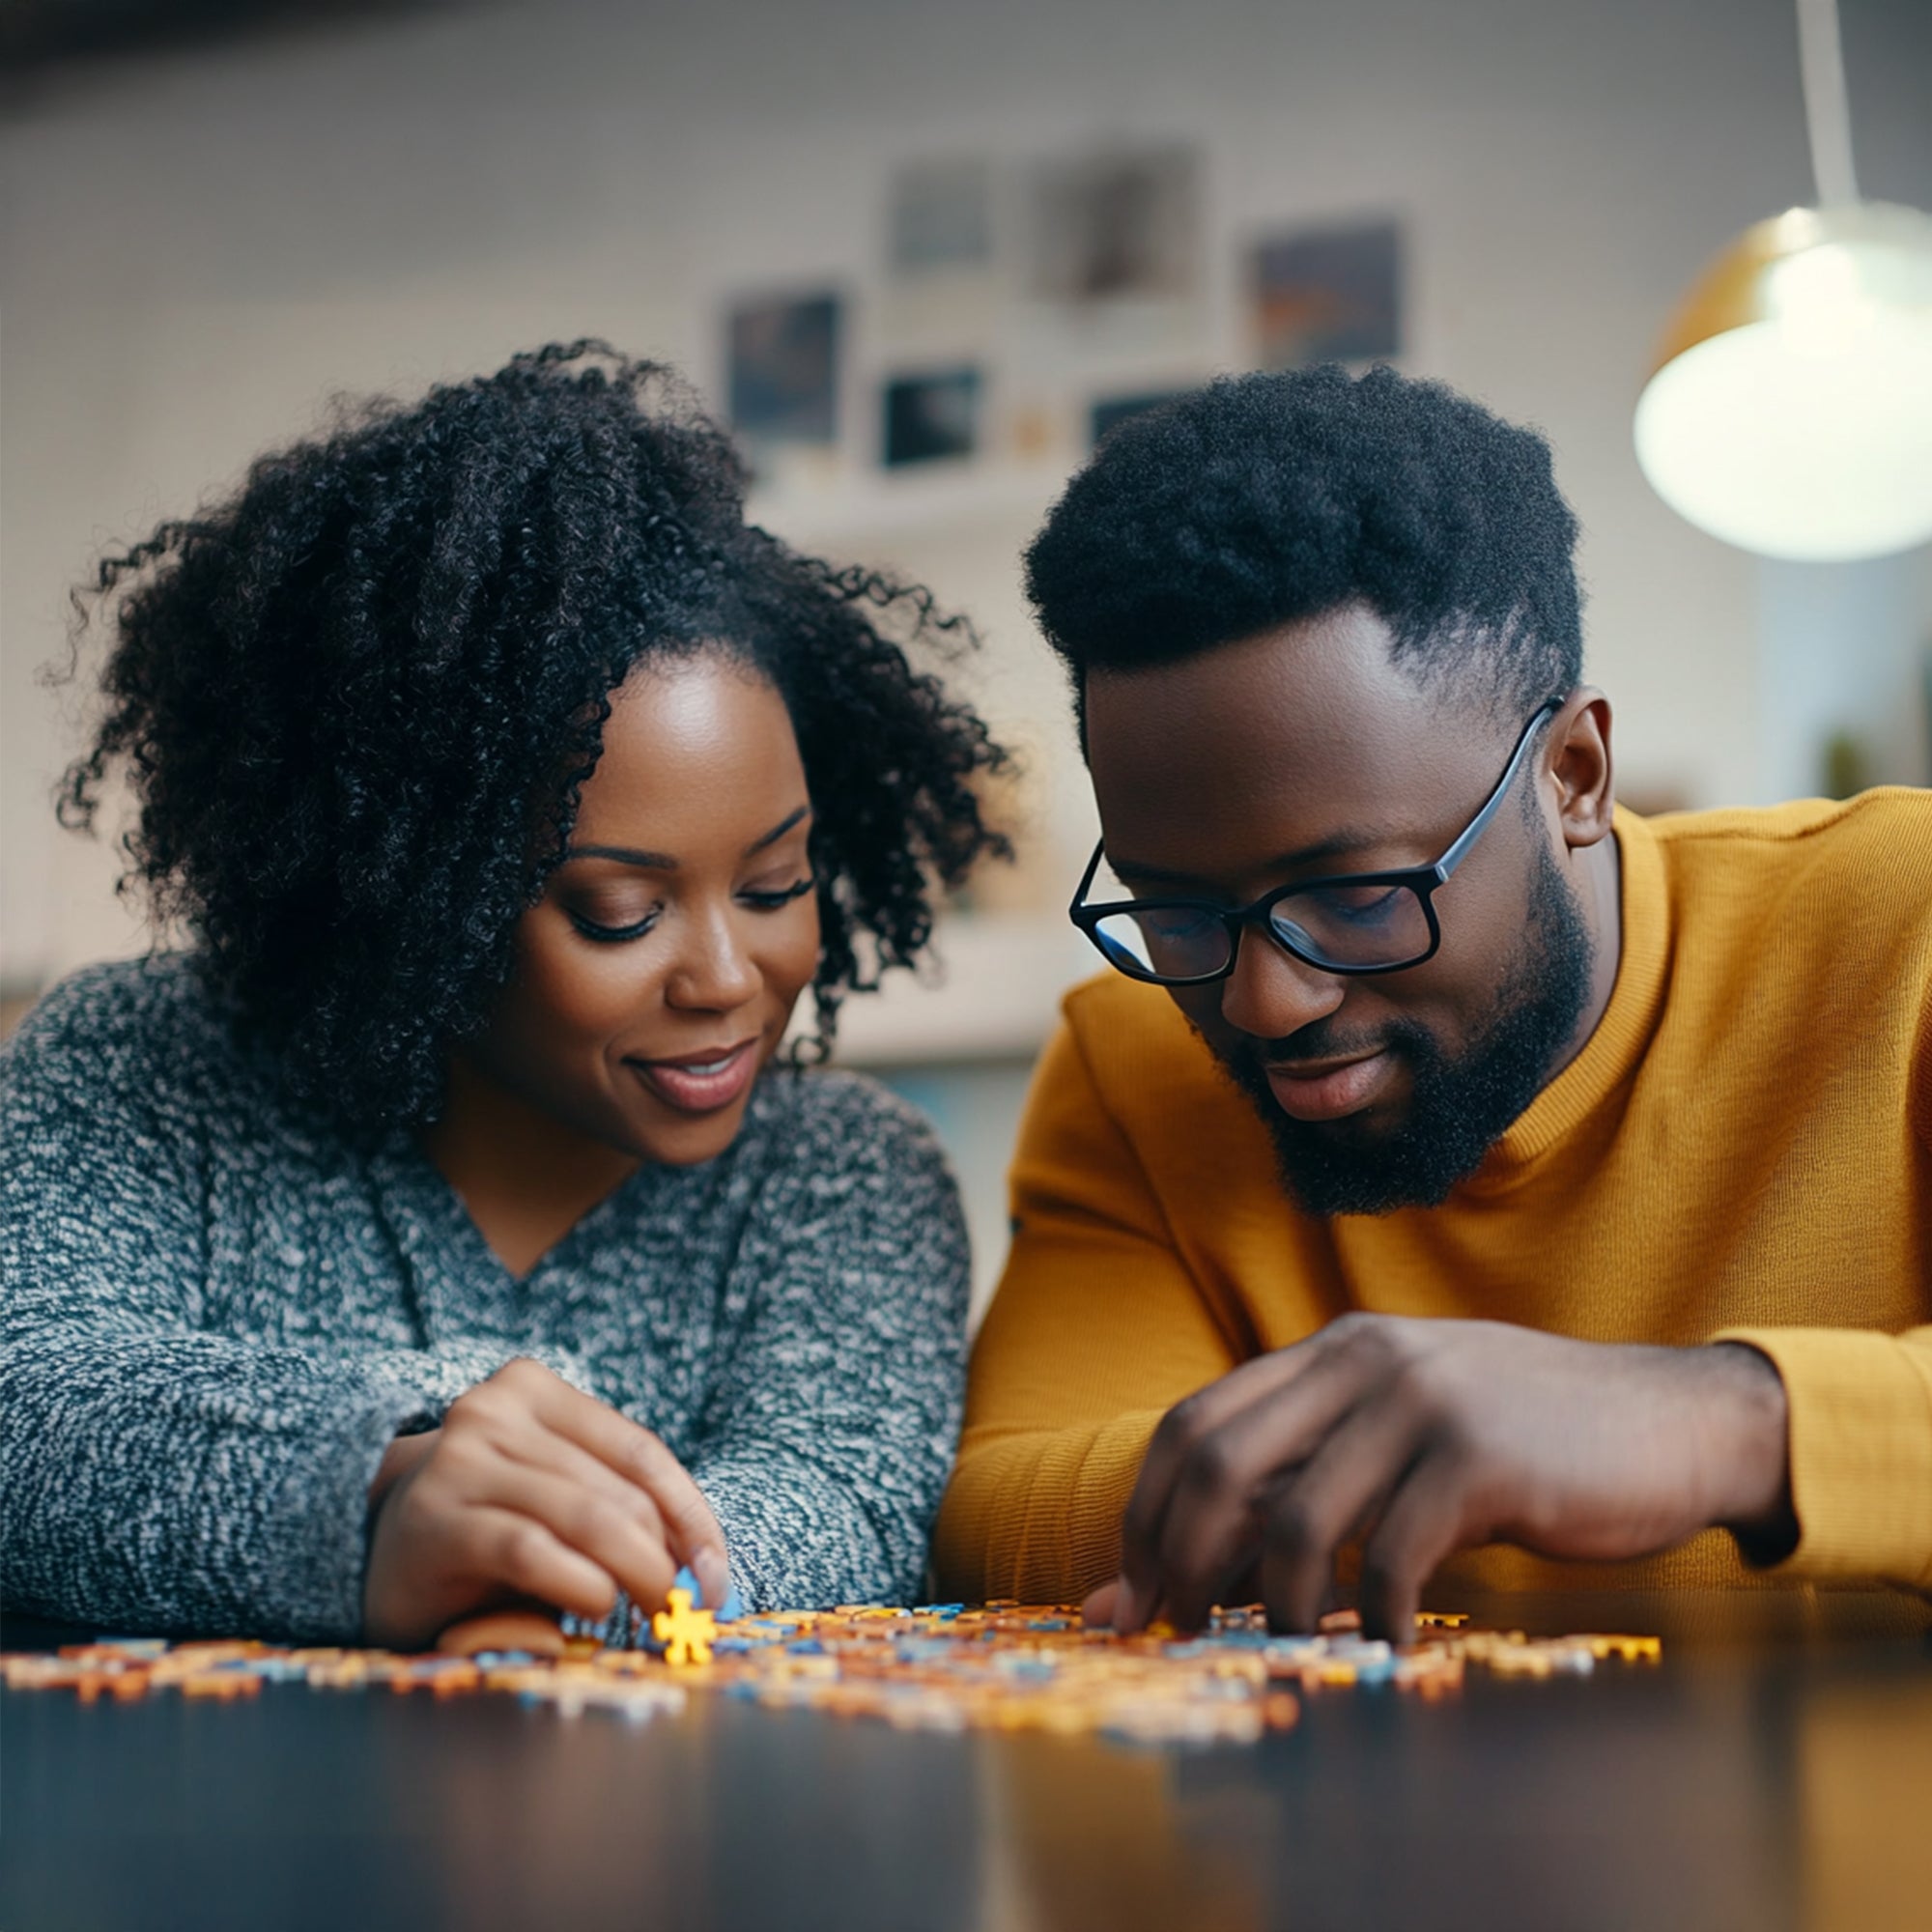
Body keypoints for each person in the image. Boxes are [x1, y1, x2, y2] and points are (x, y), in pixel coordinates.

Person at [2, 342, 1009, 1650]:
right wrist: (379, 1484)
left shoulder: (845, 1175)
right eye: (618, 912)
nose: (724, 979)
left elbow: (844, 1498)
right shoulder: (136, 1065)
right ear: (416, 897)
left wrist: (555, 1570)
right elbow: (27, 1408)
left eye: (774, 885)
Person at [933, 363, 1932, 1641]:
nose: (1267, 1002)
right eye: (1177, 910)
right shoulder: (1131, 1058)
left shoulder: (1904, 928)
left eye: (1355, 896)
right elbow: (1000, 1509)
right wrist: (1406, 1443)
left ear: (1573, 775)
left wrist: (1715, 1422)